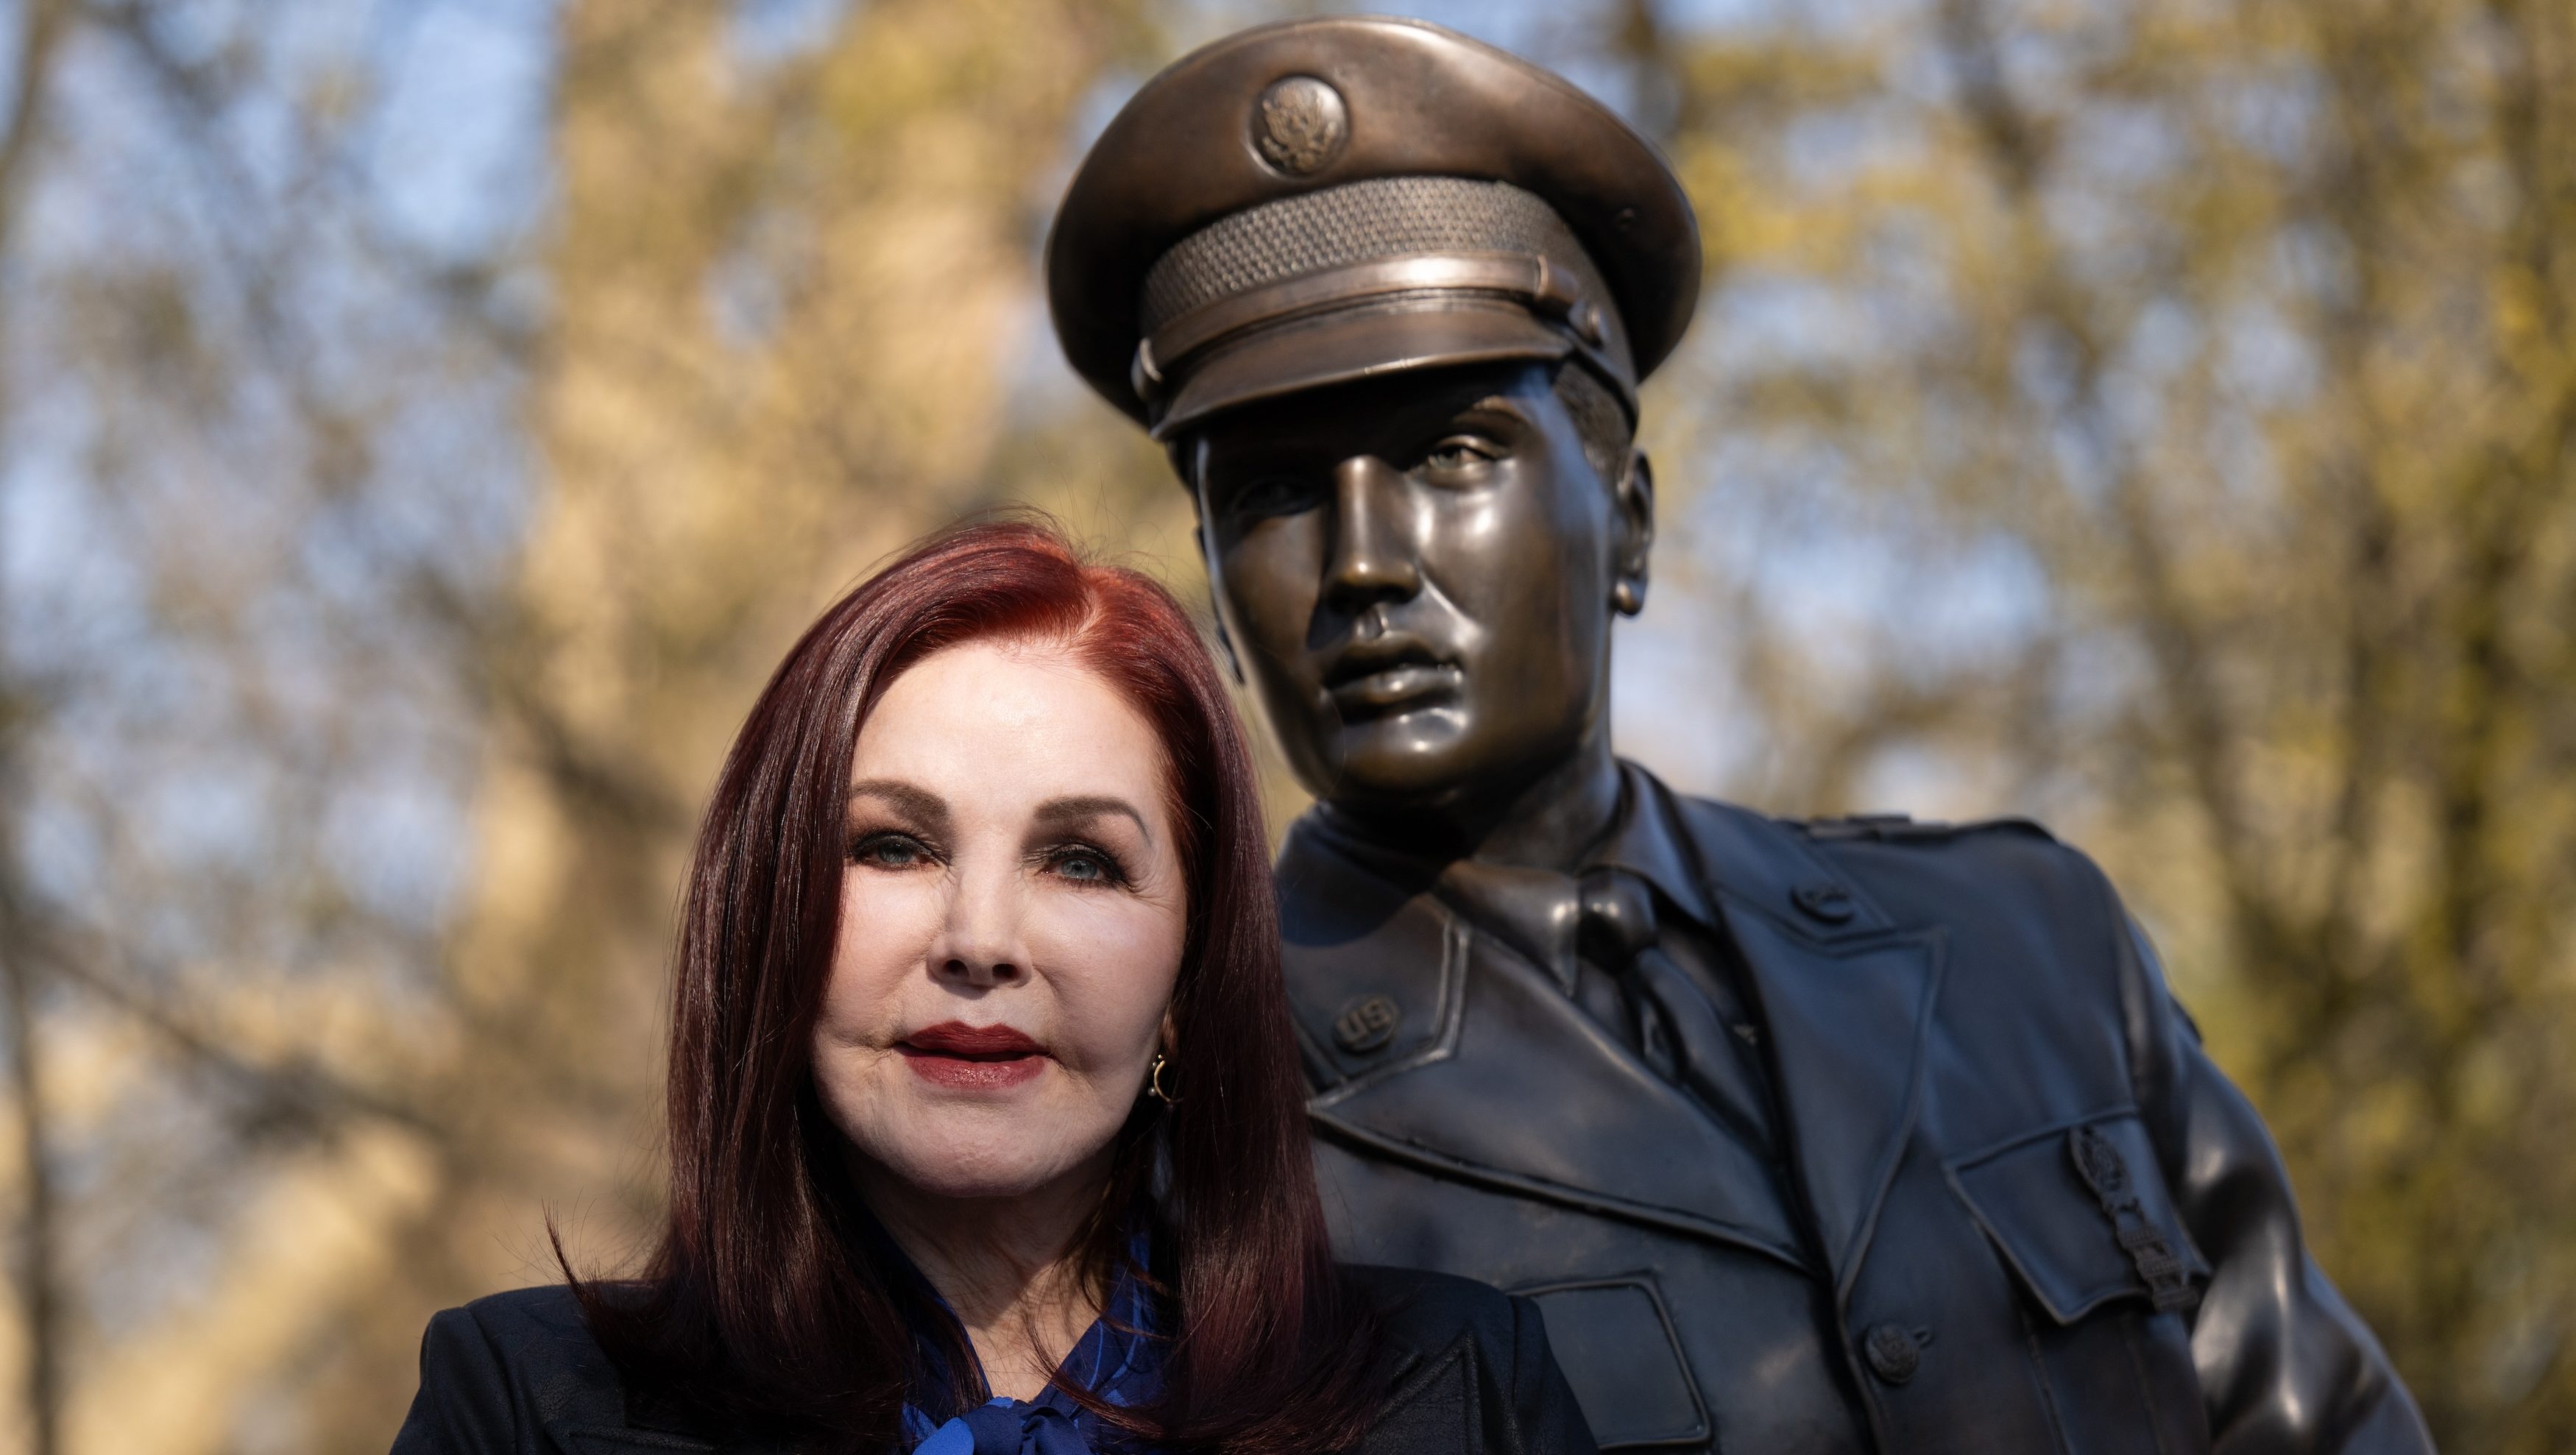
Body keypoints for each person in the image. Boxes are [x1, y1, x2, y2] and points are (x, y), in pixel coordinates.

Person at [1042, 15, 2433, 1454]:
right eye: (1271, 496)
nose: (1362, 563)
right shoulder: (1173, 1126)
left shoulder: (2031, 950)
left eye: (1451, 453)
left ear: (1627, 523)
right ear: (1213, 593)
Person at [388, 521, 1596, 1455]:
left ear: (1189, 973)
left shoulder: (1460, 1390)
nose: (979, 938)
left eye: (1081, 860)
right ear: (771, 926)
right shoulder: (525, 1403)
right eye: (895, 847)